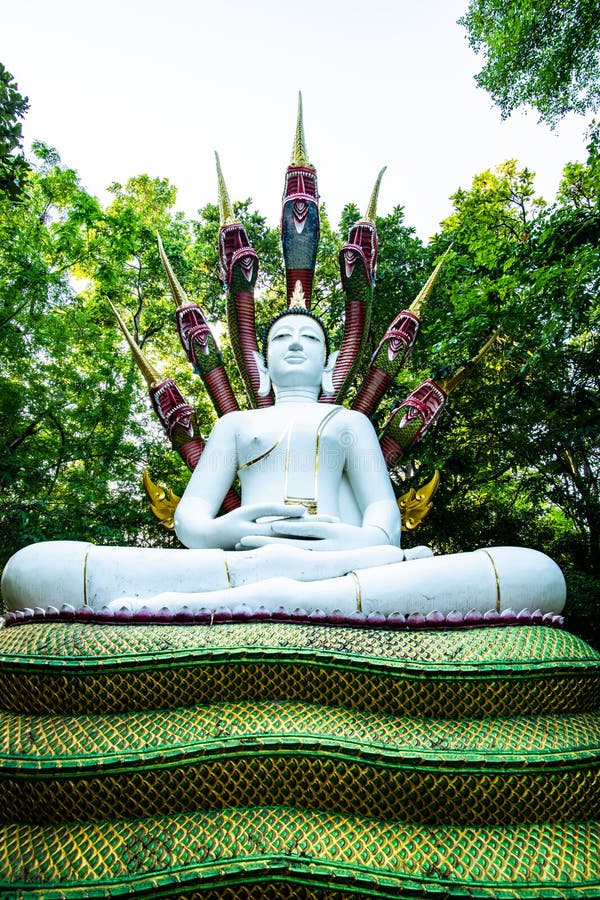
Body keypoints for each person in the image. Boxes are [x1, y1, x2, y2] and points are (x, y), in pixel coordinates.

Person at [1, 308, 566, 619]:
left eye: (310, 338)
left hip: (348, 563)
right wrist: (232, 527)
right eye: (282, 338)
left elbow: (384, 526)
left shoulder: (350, 422)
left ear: (330, 364)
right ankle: (286, 594)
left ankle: (254, 601)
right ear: (263, 365)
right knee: (36, 569)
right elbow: (191, 521)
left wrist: (340, 539)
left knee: (534, 573)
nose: (295, 342)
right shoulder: (236, 425)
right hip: (239, 560)